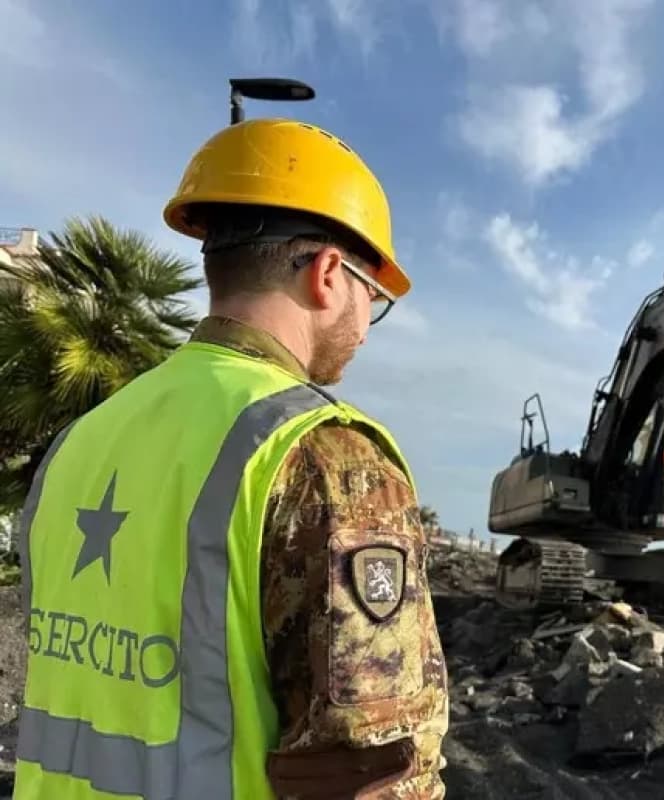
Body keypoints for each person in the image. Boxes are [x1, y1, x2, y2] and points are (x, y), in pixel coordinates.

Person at [13, 117, 449, 798]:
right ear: (329, 273)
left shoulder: (80, 441)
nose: (367, 327)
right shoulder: (321, 453)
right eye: (375, 298)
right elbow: (375, 765)